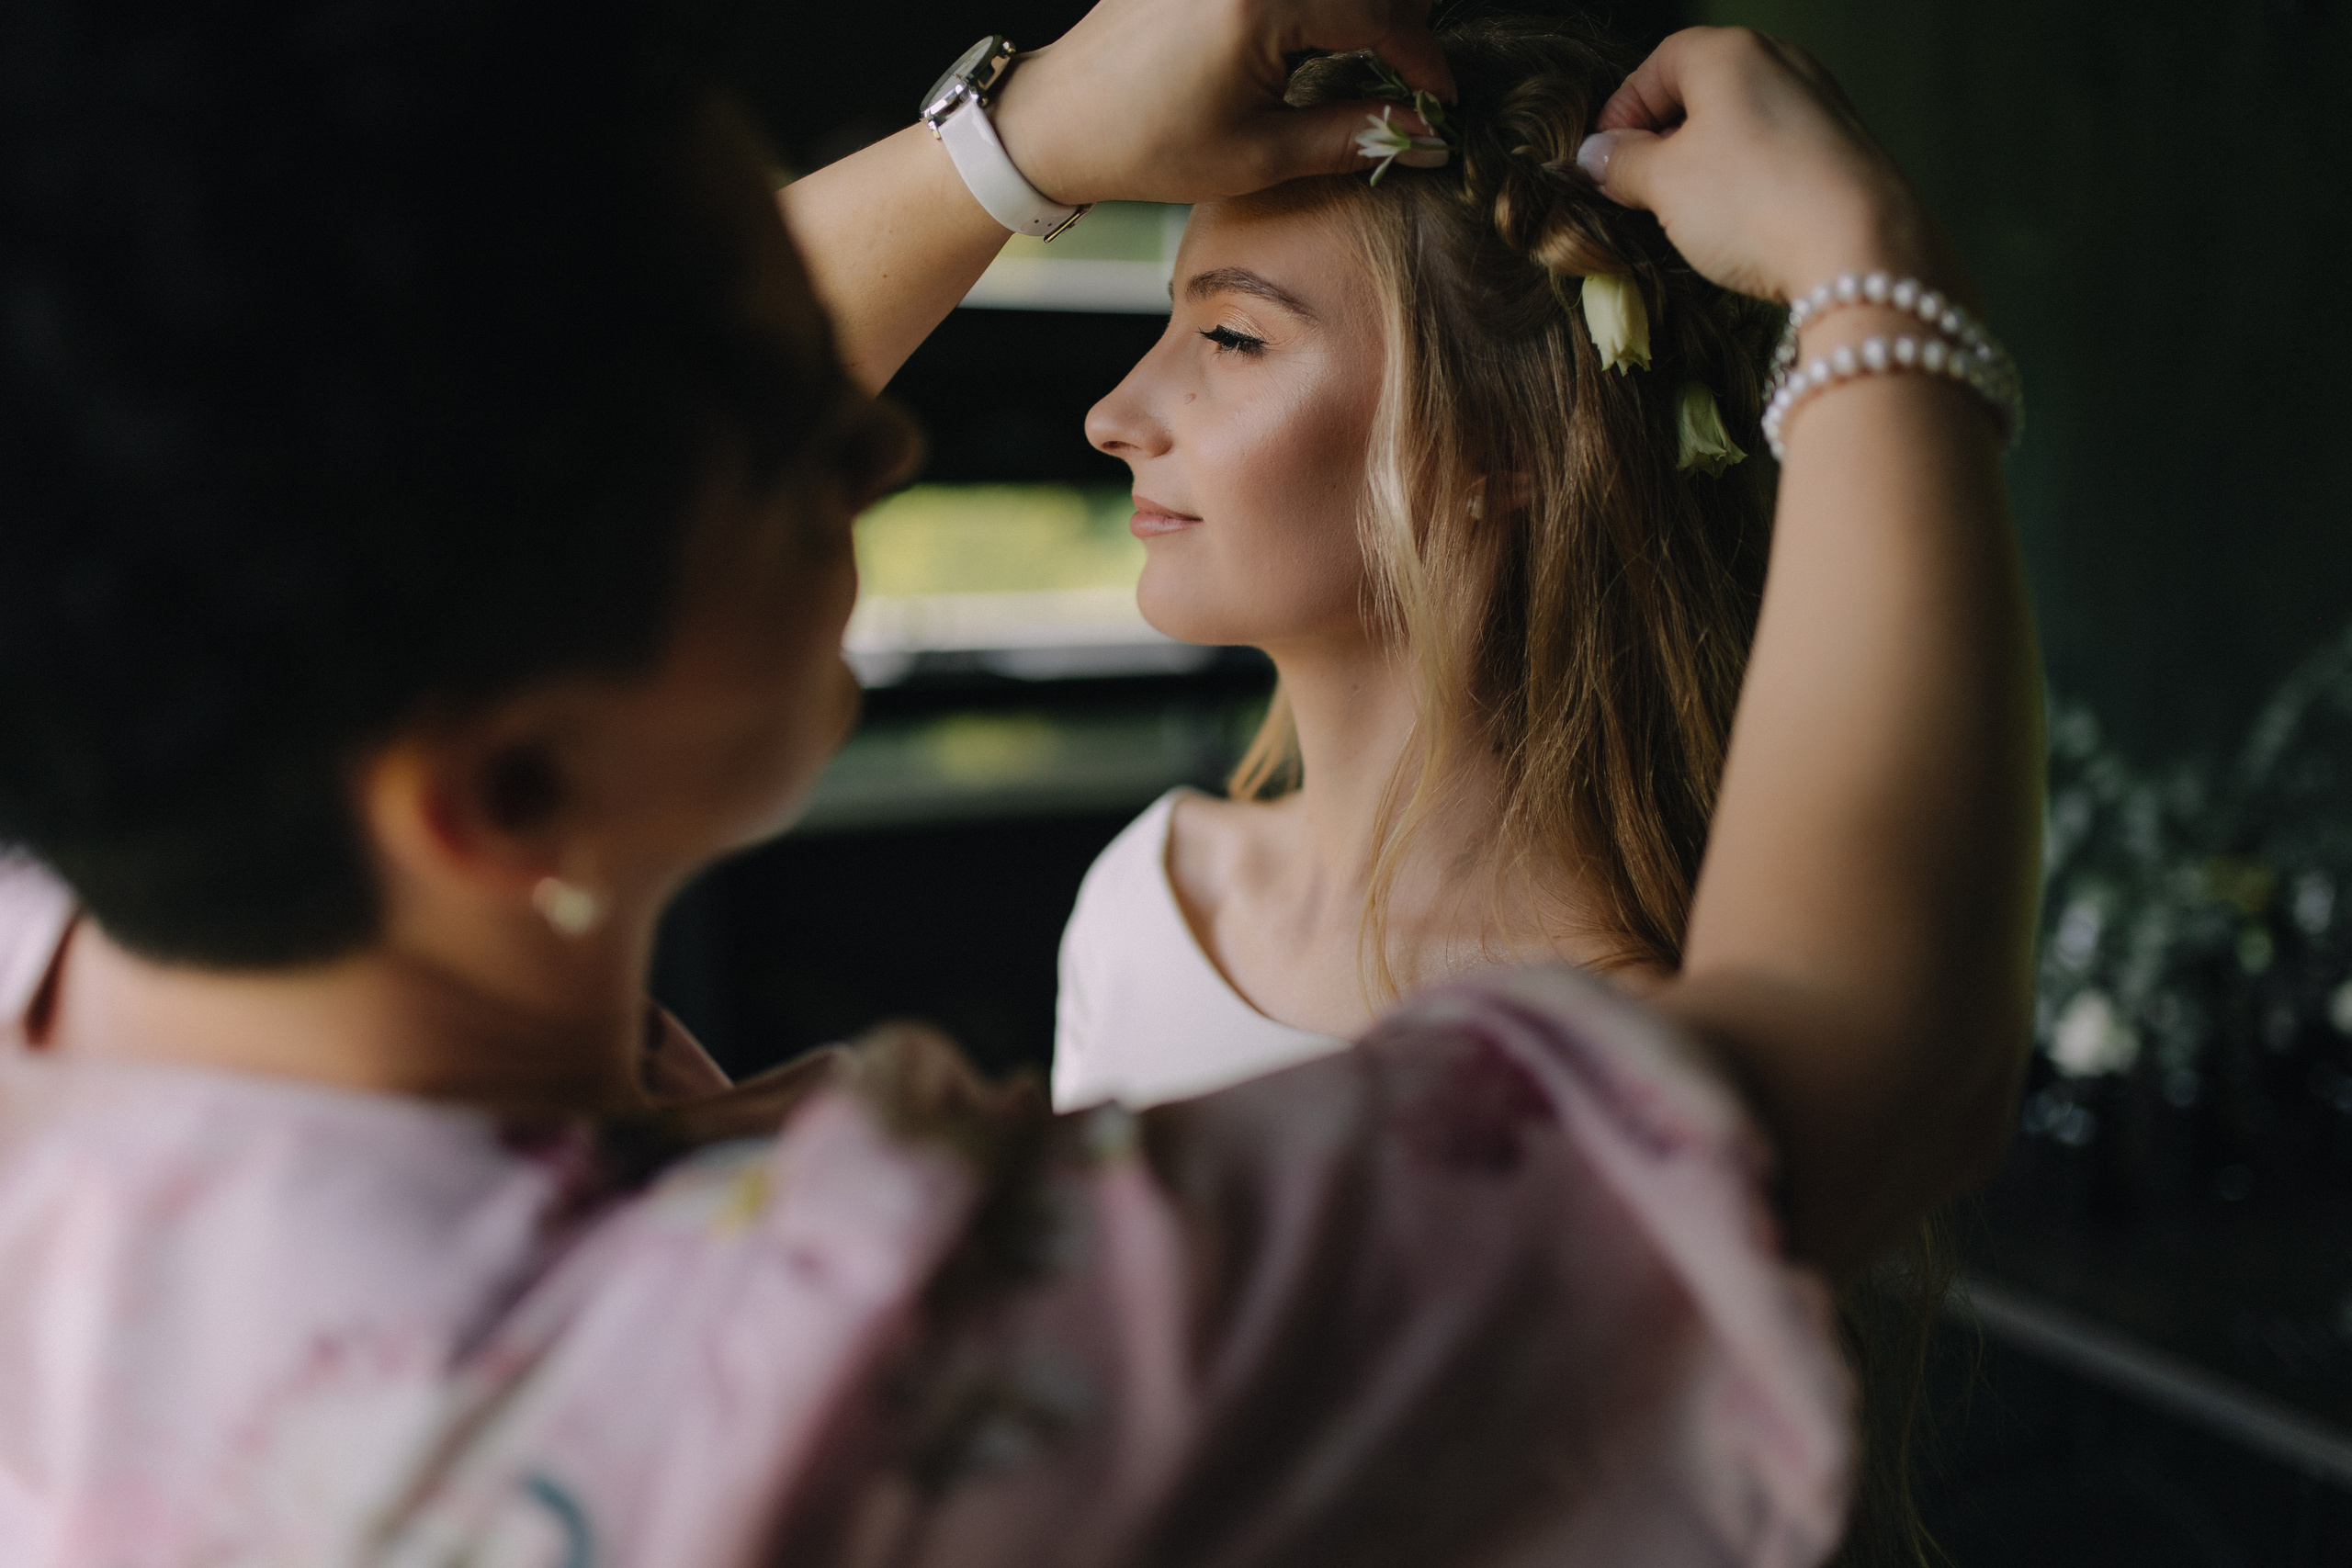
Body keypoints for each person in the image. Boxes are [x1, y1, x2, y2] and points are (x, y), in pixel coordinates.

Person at [0, 3, 2026, 1564]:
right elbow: (1851, 1057)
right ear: (506, 787)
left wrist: (1026, 136)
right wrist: (1867, 280)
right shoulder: (846, 1384)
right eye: (783, 431)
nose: (883, 438)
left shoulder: (84, 941)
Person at [1053, 15, 1778, 1113]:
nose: (1110, 415)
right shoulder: (1141, 903)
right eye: (1171, 325)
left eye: (1233, 338)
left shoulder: (1628, 1060)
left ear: (1504, 445)